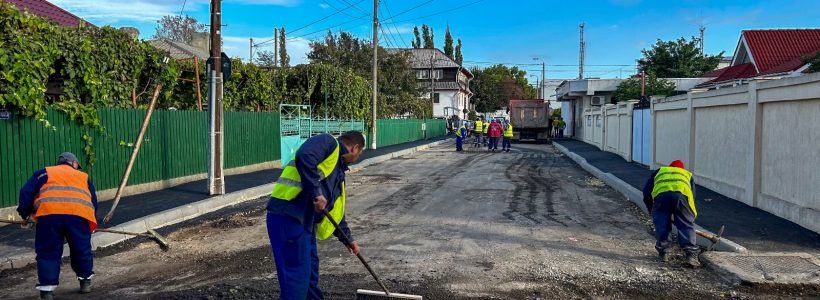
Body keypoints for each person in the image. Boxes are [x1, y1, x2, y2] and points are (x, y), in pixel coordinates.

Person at [266, 131, 365, 299]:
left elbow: (335, 213)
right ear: (355, 148)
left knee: (310, 275)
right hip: (288, 215)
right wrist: (316, 193)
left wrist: (348, 239)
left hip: (305, 223)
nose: (359, 156)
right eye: (361, 152)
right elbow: (305, 156)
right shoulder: (328, 142)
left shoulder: (337, 171)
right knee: (296, 277)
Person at [17, 152, 98, 300]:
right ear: (73, 163)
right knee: (81, 249)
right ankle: (85, 281)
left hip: (49, 216)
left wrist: (26, 215)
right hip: (79, 216)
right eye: (77, 166)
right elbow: (93, 201)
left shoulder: (44, 173)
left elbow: (26, 193)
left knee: (48, 251)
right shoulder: (83, 177)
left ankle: (47, 290)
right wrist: (90, 222)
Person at [642, 160, 700, 268]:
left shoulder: (660, 171)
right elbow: (692, 197)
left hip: (661, 198)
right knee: (685, 226)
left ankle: (664, 253)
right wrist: (689, 216)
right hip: (682, 198)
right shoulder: (686, 174)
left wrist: (651, 209)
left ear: (670, 167)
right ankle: (691, 255)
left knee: (662, 225)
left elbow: (646, 192)